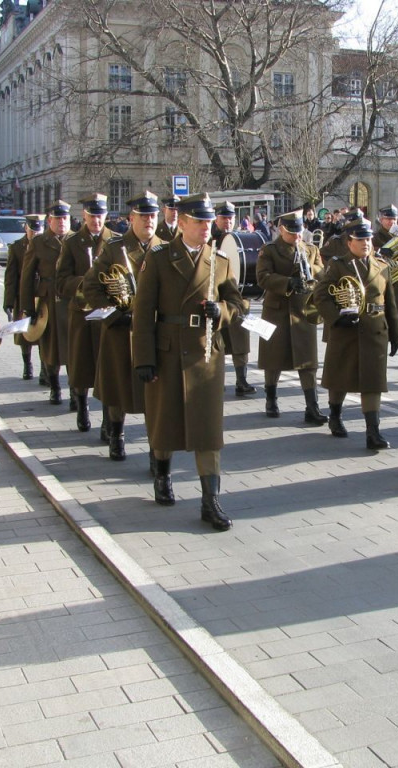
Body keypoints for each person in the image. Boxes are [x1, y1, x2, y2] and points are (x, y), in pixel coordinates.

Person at [132, 193, 244, 531]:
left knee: (207, 432)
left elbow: (238, 303)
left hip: (205, 354)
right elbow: (142, 312)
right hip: (168, 352)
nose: (207, 226)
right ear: (181, 223)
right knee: (166, 424)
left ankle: (210, 501)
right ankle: (162, 475)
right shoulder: (160, 257)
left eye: (209, 221)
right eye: (199, 221)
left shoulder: (219, 259)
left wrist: (221, 311)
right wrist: (144, 359)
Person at [83, 192, 163, 462]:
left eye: (153, 215)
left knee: (155, 392)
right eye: (144, 216)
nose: (149, 220)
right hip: (121, 330)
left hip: (153, 331)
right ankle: (116, 436)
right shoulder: (115, 248)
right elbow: (91, 286)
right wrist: (113, 314)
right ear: (132, 219)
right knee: (119, 388)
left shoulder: (165, 247)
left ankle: (156, 448)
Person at [312, 218, 398, 448]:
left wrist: (396, 334)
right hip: (346, 329)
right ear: (349, 242)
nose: (366, 243)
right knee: (340, 378)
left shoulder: (382, 265)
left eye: (369, 239)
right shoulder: (338, 265)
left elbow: (390, 302)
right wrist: (336, 318)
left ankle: (373, 432)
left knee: (373, 382)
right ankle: (336, 417)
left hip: (374, 330)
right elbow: (321, 296)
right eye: (360, 239)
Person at [255, 209, 327, 424]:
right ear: (281, 229)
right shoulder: (269, 250)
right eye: (292, 232)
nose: (297, 236)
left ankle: (312, 406)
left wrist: (308, 270)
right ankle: (271, 399)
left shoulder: (310, 249)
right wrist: (287, 282)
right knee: (273, 359)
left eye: (299, 231)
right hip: (276, 310)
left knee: (308, 361)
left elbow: (321, 271)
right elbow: (262, 277)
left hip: (302, 310)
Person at [56, 193, 113, 436]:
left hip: (106, 313)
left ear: (106, 216)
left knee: (108, 368)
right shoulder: (71, 243)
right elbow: (61, 282)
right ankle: (81, 407)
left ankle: (108, 422)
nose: (96, 221)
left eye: (100, 216)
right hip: (80, 313)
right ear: (84, 216)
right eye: (92, 216)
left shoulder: (115, 241)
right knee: (80, 366)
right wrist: (86, 282)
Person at [20, 201, 70, 405]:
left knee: (73, 348)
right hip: (48, 298)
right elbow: (27, 276)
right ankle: (55, 387)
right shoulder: (39, 242)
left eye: (64, 218)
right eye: (57, 219)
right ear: (50, 221)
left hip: (70, 299)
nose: (61, 222)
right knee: (50, 347)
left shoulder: (76, 240)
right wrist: (28, 307)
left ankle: (76, 392)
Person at [211, 200, 256, 397]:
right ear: (216, 219)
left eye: (230, 218)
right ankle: (216, 379)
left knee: (240, 342)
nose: (227, 222)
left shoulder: (240, 239)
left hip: (238, 298)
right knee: (217, 341)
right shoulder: (208, 240)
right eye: (224, 218)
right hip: (217, 298)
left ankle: (241, 379)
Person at [374, 204, 398, 367]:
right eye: (388, 219)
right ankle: (381, 350)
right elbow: (370, 251)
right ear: (381, 219)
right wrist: (381, 250)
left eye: (394, 219)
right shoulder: (375, 237)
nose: (391, 222)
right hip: (383, 281)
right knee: (384, 316)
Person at [3, 214, 43, 381]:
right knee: (24, 333)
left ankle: (45, 370)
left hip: (41, 296)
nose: (35, 233)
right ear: (26, 228)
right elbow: (11, 276)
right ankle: (27, 365)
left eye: (38, 230)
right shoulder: (17, 247)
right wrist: (8, 301)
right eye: (32, 230)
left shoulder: (46, 244)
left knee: (43, 334)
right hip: (23, 295)